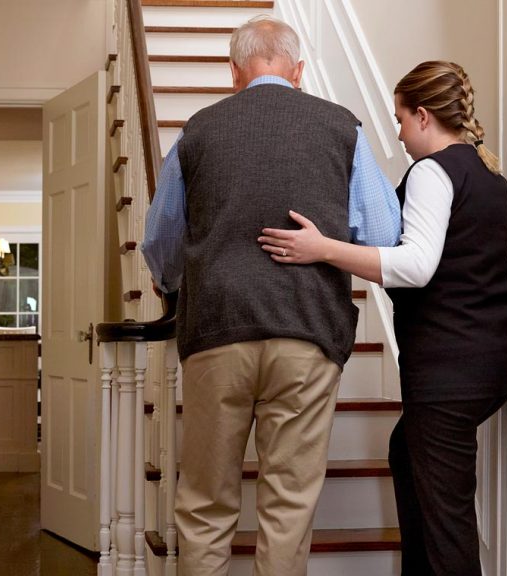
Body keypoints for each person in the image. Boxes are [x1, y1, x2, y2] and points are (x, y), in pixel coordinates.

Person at [141, 14, 401, 576]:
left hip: (216, 331)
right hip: (307, 334)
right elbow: (383, 235)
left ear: (233, 71)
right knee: (288, 509)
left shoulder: (197, 131)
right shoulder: (342, 128)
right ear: (299, 70)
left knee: (205, 505)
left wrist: (175, 288)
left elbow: (160, 239)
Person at [257, 60, 507, 575]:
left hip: (451, 368)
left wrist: (322, 249)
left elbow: (416, 267)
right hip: (492, 358)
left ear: (424, 116)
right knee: (406, 452)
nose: (398, 135)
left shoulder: (432, 171)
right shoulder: (489, 174)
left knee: (447, 521)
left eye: (400, 120)